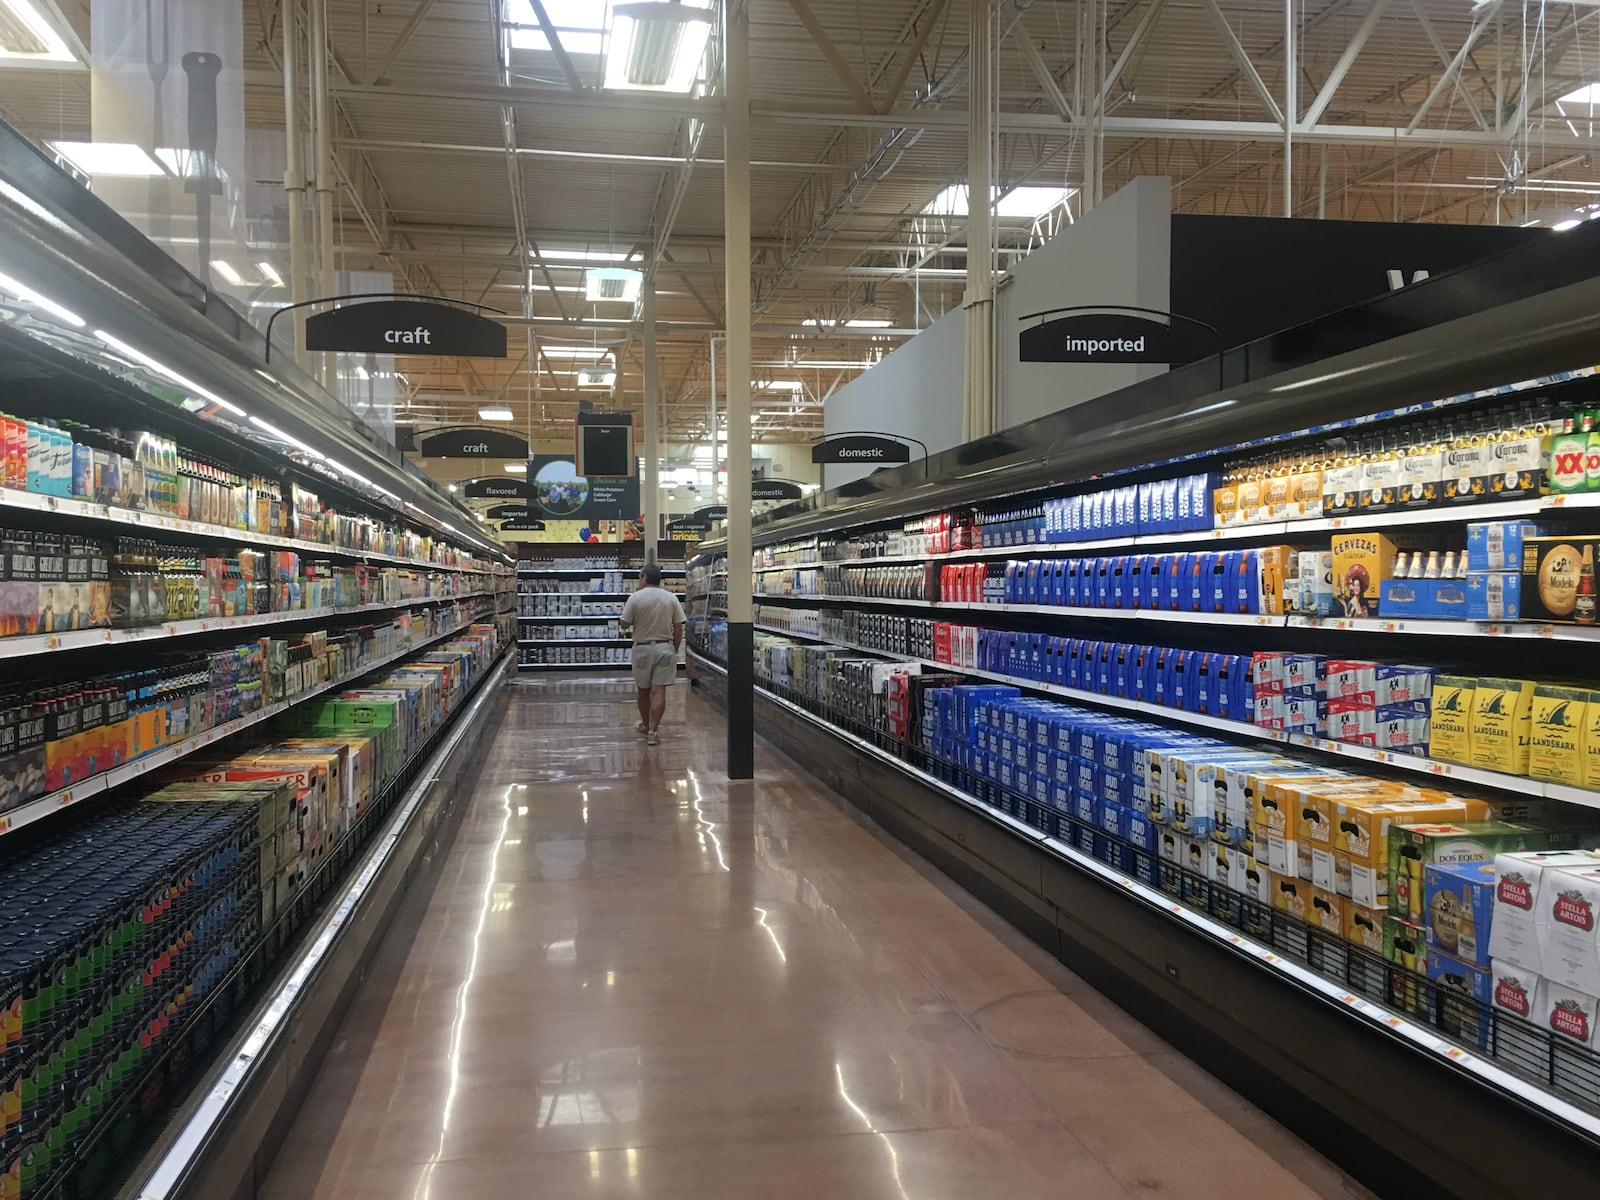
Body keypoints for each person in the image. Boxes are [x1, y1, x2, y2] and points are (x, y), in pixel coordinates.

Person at [619, 562, 685, 745]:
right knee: (659, 691)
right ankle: (653, 732)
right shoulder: (671, 598)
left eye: (640, 577)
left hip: (642, 649)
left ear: (644, 577)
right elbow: (678, 628)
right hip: (665, 648)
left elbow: (624, 623)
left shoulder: (635, 598)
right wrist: (675, 648)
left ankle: (646, 725)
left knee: (643, 690)